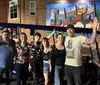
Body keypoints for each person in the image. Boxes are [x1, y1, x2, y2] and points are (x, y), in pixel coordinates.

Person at [64, 17, 98, 85]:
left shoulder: (80, 38)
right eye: (68, 29)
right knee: (69, 83)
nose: (70, 31)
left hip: (76, 66)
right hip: (67, 65)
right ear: (66, 31)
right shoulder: (65, 38)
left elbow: (92, 41)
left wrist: (94, 29)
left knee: (78, 83)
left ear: (74, 30)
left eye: (71, 29)